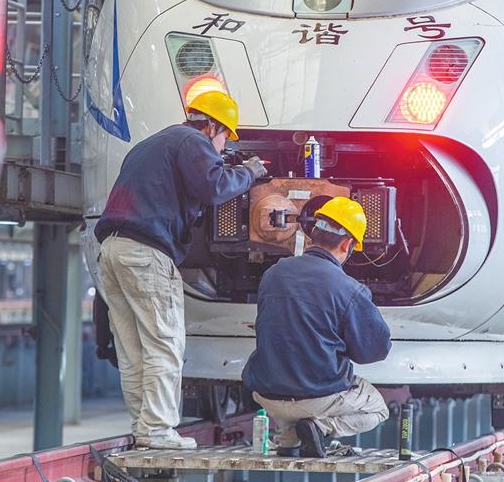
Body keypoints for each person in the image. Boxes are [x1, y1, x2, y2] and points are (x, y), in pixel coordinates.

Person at [95, 90, 268, 450]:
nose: (221, 149)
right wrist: (249, 172)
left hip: (111, 251)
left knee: (133, 351)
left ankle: (145, 429)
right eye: (223, 140)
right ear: (212, 126)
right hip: (146, 253)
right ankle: (158, 431)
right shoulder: (191, 139)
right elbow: (214, 185)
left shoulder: (151, 144)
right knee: (164, 344)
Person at [242, 197, 392, 457]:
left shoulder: (273, 273)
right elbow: (374, 352)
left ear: (313, 234)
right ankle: (319, 427)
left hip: (266, 394)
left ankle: (288, 440)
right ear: (347, 244)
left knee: (293, 371)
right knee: (378, 408)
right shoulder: (349, 289)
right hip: (316, 398)